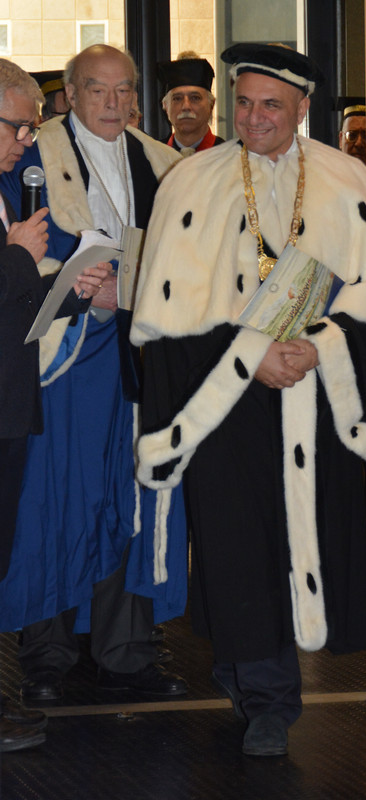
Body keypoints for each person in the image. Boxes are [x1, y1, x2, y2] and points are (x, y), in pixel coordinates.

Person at [132, 42, 366, 756]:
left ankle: (260, 685)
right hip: (223, 398)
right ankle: (265, 699)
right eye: (245, 103)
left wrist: (319, 347)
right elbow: (166, 317)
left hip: (318, 394)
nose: (254, 119)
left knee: (305, 537)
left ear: (302, 108)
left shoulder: (349, 181)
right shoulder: (190, 183)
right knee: (236, 547)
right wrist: (251, 357)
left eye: (271, 106)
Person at [0, 45, 188, 705]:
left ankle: (125, 651)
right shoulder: (32, 154)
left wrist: (133, 289)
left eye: (124, 90)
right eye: (97, 90)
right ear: (71, 95)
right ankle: (47, 655)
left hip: (140, 354)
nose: (112, 103)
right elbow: (18, 248)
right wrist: (83, 287)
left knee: (131, 497)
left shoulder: (165, 164)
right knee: (53, 499)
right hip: (63, 358)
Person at [0, 59, 109, 751]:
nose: (26, 140)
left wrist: (72, 290)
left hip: (11, 403)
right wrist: (17, 255)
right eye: (17, 126)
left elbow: (14, 305)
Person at [158, 51, 224, 155]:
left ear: (211, 105)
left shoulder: (230, 157)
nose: (186, 106)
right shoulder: (153, 156)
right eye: (177, 99)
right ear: (165, 106)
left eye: (195, 98)